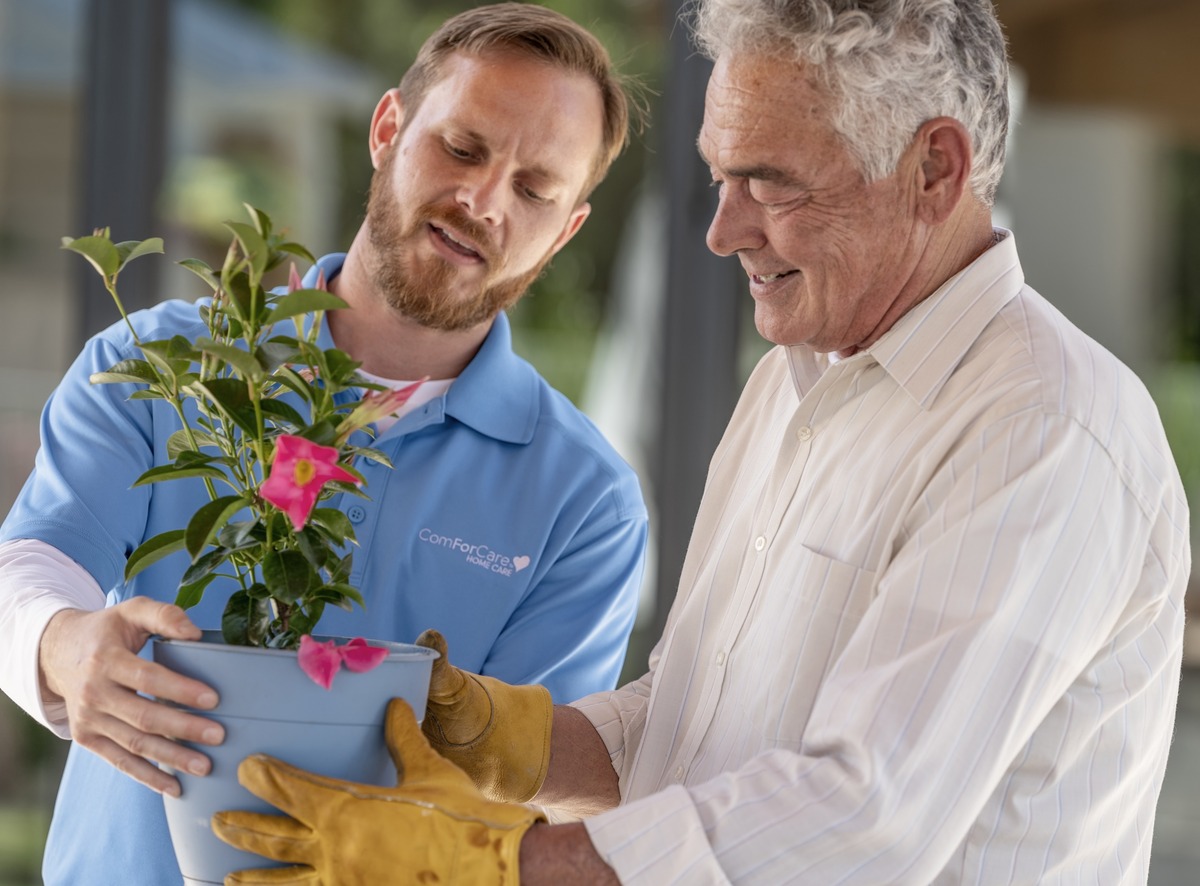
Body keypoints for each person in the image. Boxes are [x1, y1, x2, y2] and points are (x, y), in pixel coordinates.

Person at [212, 1, 1192, 884]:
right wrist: (512, 741)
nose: (723, 230)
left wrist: (490, 866)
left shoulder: (1042, 426)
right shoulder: (794, 381)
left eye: (770, 183)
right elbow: (689, 733)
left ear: (933, 168)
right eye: (722, 176)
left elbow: (862, 821)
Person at [0, 4, 650, 884]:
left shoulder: (585, 502)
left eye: (535, 189)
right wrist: (61, 643)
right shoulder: (165, 364)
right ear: (389, 128)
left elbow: (531, 784)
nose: (483, 201)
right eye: (461, 147)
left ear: (565, 228)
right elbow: (35, 561)